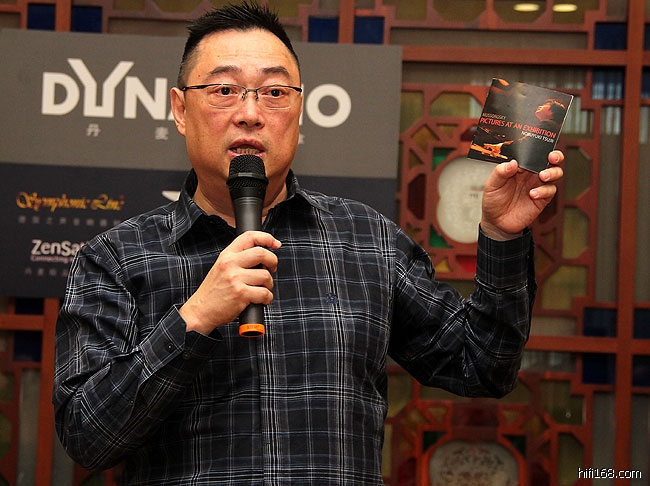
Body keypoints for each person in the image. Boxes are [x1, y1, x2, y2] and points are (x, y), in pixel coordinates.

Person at [52, 3, 565, 485]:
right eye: (224, 90)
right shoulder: (115, 258)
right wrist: (194, 318)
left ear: (300, 110)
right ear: (181, 110)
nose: (250, 113)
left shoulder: (368, 240)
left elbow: (484, 366)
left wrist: (502, 235)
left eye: (274, 92)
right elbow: (86, 438)